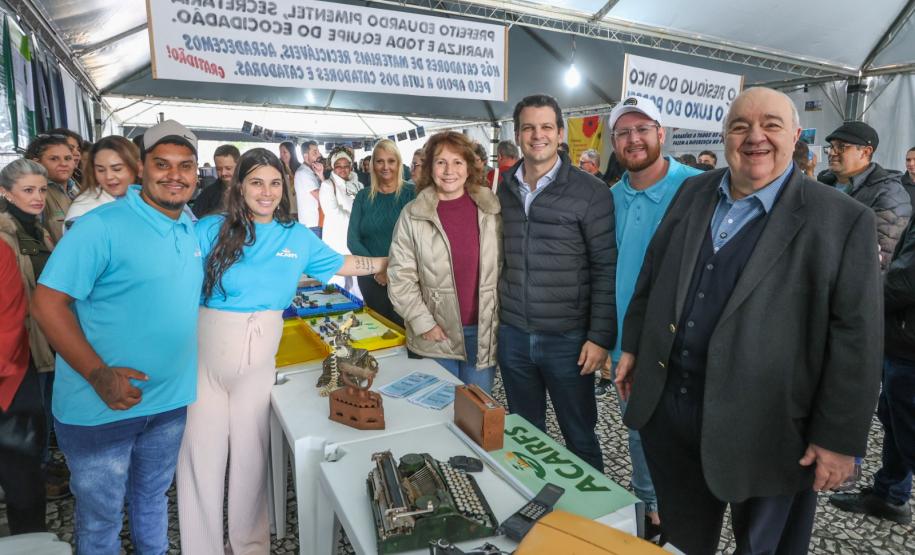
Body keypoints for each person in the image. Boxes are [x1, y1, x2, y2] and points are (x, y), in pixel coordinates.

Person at [614, 87, 883, 554]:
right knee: (682, 540)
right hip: (675, 414)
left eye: (771, 125)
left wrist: (839, 439)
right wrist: (635, 346)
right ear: (725, 138)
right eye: (740, 126)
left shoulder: (843, 220)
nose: (755, 136)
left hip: (773, 431)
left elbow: (857, 338)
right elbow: (653, 274)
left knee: (765, 547)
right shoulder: (694, 191)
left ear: (795, 136)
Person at [177, 148, 386, 554]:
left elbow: (342, 264)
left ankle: (249, 546)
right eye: (256, 182)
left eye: (275, 183)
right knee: (201, 456)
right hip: (205, 358)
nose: (266, 192)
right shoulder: (208, 229)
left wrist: (383, 261)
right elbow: (175, 278)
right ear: (239, 186)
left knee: (252, 457)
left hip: (259, 362)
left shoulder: (296, 236)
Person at [30, 120, 204, 555]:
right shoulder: (100, 226)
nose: (174, 175)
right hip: (100, 408)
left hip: (167, 403)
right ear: (141, 168)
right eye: (162, 164)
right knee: (101, 519)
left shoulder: (189, 225)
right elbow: (47, 304)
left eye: (185, 166)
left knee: (152, 499)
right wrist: (99, 375)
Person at [595, 97, 701, 539]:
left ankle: (690, 513)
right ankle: (653, 512)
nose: (634, 139)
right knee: (638, 429)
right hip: (627, 344)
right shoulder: (609, 199)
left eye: (643, 129)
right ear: (613, 141)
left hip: (687, 344)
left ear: (662, 133)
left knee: (689, 433)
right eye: (624, 132)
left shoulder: (698, 188)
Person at [497, 94, 616, 471]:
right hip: (514, 334)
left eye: (546, 127)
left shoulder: (591, 191)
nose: (538, 135)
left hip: (568, 339)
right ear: (517, 134)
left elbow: (605, 267)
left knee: (579, 435)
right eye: (529, 128)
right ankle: (536, 500)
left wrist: (599, 337)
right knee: (524, 434)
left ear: (560, 133)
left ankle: (591, 508)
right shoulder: (502, 187)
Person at [389, 132, 501, 393]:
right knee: (438, 410)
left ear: (469, 167)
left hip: (483, 334)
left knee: (478, 409)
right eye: (441, 162)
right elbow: (400, 277)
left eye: (457, 162)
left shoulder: (491, 209)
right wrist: (424, 323)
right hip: (436, 335)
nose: (449, 170)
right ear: (430, 167)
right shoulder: (413, 215)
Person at [829, 215, 915, 525]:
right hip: (901, 340)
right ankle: (890, 495)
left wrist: (860, 296)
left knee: (908, 429)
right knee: (894, 419)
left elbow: (906, 281)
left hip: (909, 345)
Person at [0, 161, 53, 532]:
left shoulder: (39, 229)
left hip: (38, 346)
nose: (37, 197)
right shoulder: (5, 238)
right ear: (6, 193)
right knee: (21, 459)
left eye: (42, 190)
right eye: (28, 190)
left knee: (30, 448)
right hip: (18, 356)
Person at [817, 121, 911, 269]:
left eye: (841, 147)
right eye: (831, 147)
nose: (832, 153)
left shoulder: (889, 193)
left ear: (866, 152)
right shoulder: (823, 184)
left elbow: (880, 257)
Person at [348, 139, 416, 328]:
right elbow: (353, 240)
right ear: (372, 165)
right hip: (370, 278)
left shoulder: (412, 194)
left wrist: (391, 270)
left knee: (405, 331)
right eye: (379, 161)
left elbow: (418, 240)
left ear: (399, 163)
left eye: (391, 161)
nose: (385, 167)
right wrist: (378, 269)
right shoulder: (363, 196)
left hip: (404, 278)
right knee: (377, 330)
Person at [65, 136, 140, 230]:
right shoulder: (83, 210)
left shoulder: (146, 198)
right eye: (100, 170)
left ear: (137, 166)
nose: (108, 176)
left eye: (117, 169)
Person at [319, 147, 364, 291]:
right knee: (337, 280)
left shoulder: (359, 185)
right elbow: (333, 212)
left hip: (356, 240)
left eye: (346, 166)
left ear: (351, 166)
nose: (343, 169)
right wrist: (357, 221)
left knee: (357, 281)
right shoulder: (327, 185)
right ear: (333, 167)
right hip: (336, 240)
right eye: (338, 166)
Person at [25, 134, 76, 244]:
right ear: (36, 163)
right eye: (54, 159)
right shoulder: (34, 196)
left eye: (68, 158)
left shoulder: (77, 190)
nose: (63, 164)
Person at [192, 144, 239, 218]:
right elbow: (195, 219)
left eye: (228, 168)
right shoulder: (207, 194)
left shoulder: (249, 190)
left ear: (238, 166)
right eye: (219, 169)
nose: (223, 173)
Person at [295, 140, 323, 235]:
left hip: (315, 221)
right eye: (315, 152)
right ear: (305, 156)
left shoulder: (311, 171)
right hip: (312, 223)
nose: (319, 154)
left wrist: (321, 175)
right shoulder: (303, 173)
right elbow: (321, 196)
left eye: (318, 151)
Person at [278, 141, 300, 219]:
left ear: (291, 152)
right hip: (286, 208)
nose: (282, 155)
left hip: (301, 207)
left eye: (284, 152)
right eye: (280, 152)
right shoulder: (278, 169)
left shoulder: (300, 168)